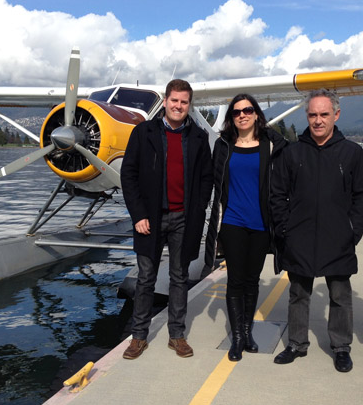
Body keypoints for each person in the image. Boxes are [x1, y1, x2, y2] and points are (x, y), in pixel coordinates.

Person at [270, 89, 363, 372]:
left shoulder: (351, 153)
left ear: (336, 115)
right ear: (307, 116)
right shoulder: (292, 152)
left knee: (340, 295)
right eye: (313, 115)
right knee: (298, 293)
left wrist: (353, 229)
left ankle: (341, 347)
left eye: (324, 114)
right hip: (299, 235)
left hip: (338, 236)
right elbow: (277, 194)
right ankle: (296, 344)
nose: (318, 120)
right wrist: (285, 228)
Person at [120, 79, 213, 360]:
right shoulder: (143, 132)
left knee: (179, 277)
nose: (178, 106)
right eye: (174, 100)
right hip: (150, 218)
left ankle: (177, 335)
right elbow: (129, 175)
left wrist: (198, 208)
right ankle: (138, 337)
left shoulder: (198, 137)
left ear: (189, 105)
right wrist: (138, 215)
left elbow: (207, 178)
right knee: (146, 278)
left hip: (184, 218)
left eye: (184, 102)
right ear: (165, 101)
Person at [204, 93, 287, 361]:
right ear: (231, 117)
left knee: (252, 281)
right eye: (237, 111)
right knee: (236, 281)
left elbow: (284, 152)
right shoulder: (223, 145)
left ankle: (248, 331)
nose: (243, 114)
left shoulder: (269, 144)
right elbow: (214, 183)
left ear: (256, 114)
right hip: (233, 222)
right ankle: (238, 337)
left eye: (248, 110)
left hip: (262, 223)